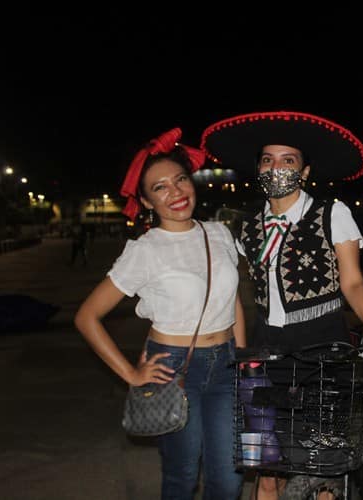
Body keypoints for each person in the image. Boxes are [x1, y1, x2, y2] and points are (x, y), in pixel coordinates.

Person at [201, 110, 363, 499]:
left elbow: (352, 280)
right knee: (265, 467)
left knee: (322, 472)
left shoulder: (332, 213)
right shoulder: (246, 228)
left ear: (305, 171)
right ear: (258, 168)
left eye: (288, 160)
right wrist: (237, 347)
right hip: (266, 351)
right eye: (268, 159)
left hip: (323, 345)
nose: (276, 167)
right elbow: (235, 295)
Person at [74, 128, 245, 500]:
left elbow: (232, 301)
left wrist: (244, 359)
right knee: (182, 476)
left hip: (227, 364)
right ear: (147, 202)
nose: (176, 192)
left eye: (180, 179)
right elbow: (87, 316)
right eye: (160, 187)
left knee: (230, 478)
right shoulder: (145, 250)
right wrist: (132, 374)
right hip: (174, 366)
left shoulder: (219, 233)